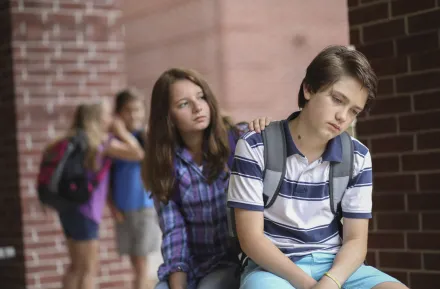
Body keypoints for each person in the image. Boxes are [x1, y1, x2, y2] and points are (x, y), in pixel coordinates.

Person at [227, 45, 409, 289]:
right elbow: (251, 239)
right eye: (337, 100)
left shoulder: (358, 156)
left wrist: (331, 282)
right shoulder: (256, 146)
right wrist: (310, 285)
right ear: (309, 89)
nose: (343, 116)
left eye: (353, 110)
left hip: (336, 266)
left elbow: (356, 239)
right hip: (272, 267)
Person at [141, 68, 268, 289]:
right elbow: (174, 233)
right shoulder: (165, 165)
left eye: (201, 97)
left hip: (236, 260)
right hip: (194, 264)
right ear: (168, 116)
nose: (198, 107)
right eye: (183, 104)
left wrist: (267, 131)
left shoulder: (238, 140)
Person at [58, 100, 144, 289]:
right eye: (107, 114)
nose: (111, 118)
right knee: (88, 269)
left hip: (68, 210)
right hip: (86, 212)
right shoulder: (102, 142)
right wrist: (121, 131)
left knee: (75, 267)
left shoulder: (73, 139)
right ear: (96, 118)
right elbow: (138, 153)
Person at [109, 89, 161, 289]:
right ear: (119, 113)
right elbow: (108, 179)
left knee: (141, 265)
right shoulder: (115, 141)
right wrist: (112, 206)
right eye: (128, 110)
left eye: (137, 109)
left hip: (144, 206)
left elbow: (140, 154)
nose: (133, 115)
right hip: (124, 209)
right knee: (135, 264)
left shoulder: (145, 136)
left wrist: (122, 132)